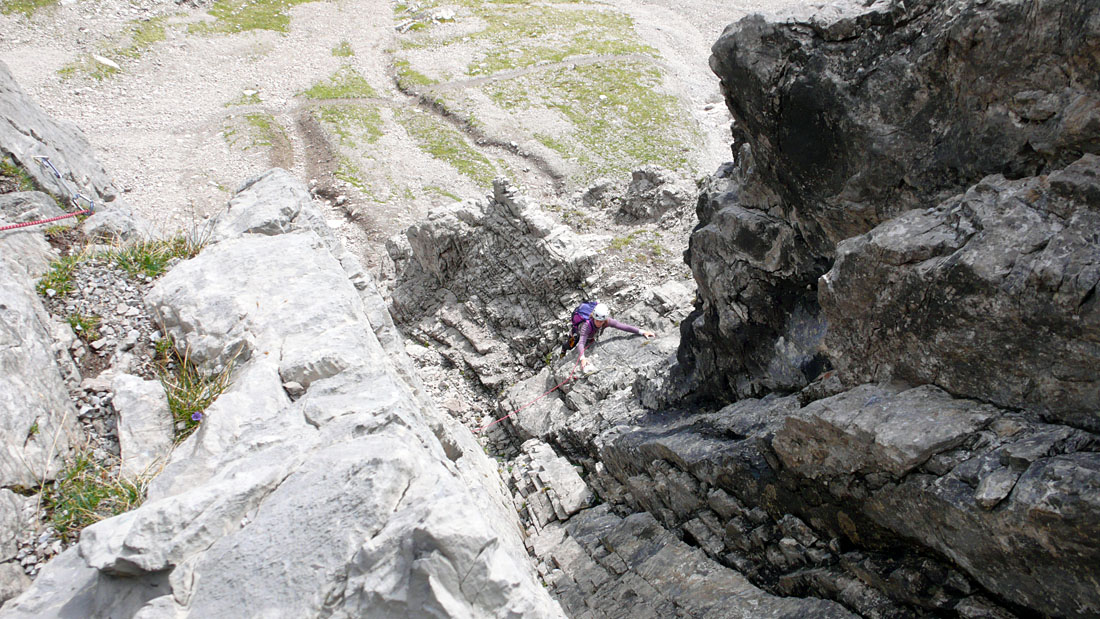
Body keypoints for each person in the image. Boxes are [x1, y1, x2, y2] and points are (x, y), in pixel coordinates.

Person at [571, 302, 654, 371]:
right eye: (597, 320)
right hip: (579, 333)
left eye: (601, 321)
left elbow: (623, 326)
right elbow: (581, 342)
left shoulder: (608, 321)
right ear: (593, 317)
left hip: (591, 335)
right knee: (570, 344)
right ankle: (564, 350)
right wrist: (582, 358)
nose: (599, 323)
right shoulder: (586, 326)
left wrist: (642, 332)